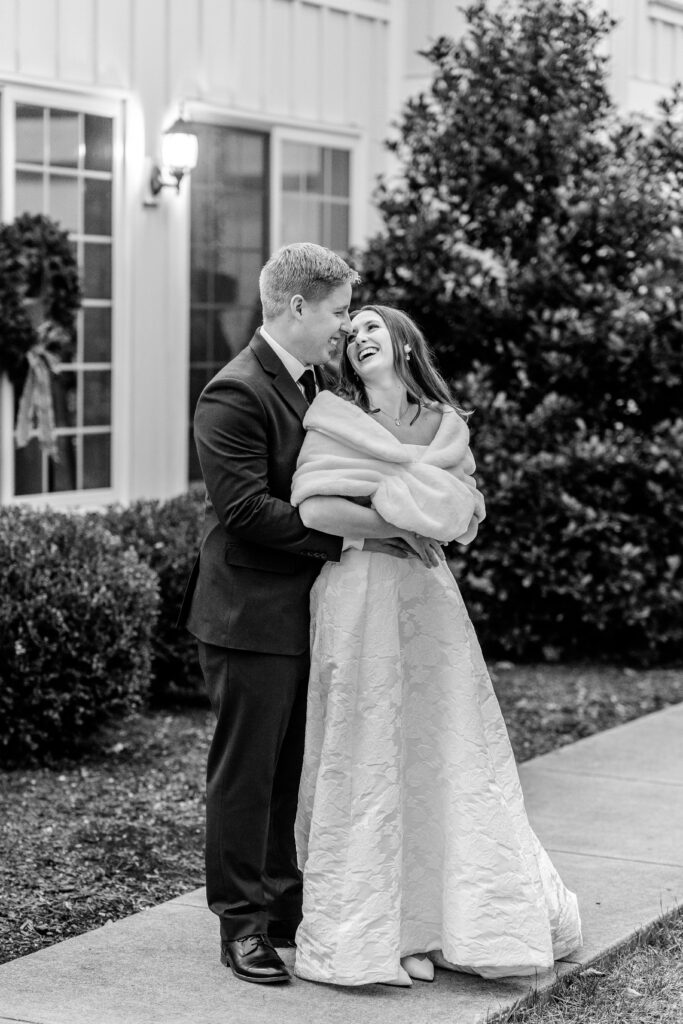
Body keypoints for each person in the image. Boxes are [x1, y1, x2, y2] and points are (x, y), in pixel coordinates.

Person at [290, 305, 583, 987]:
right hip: (359, 590)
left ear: (402, 344)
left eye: (373, 326)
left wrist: (433, 511)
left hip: (426, 601)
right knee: (367, 752)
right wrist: (392, 522)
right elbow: (314, 508)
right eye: (351, 328)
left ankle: (432, 925)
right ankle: (380, 933)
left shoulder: (445, 427)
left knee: (437, 750)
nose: (360, 335)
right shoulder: (332, 417)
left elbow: (467, 514)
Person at [178, 246, 430, 986]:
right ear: (297, 307)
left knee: (290, 767)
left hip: (303, 609)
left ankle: (285, 907)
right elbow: (247, 510)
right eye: (337, 310)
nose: (344, 324)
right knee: (246, 775)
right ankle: (241, 925)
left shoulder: (311, 382)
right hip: (247, 613)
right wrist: (358, 533)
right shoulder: (234, 392)